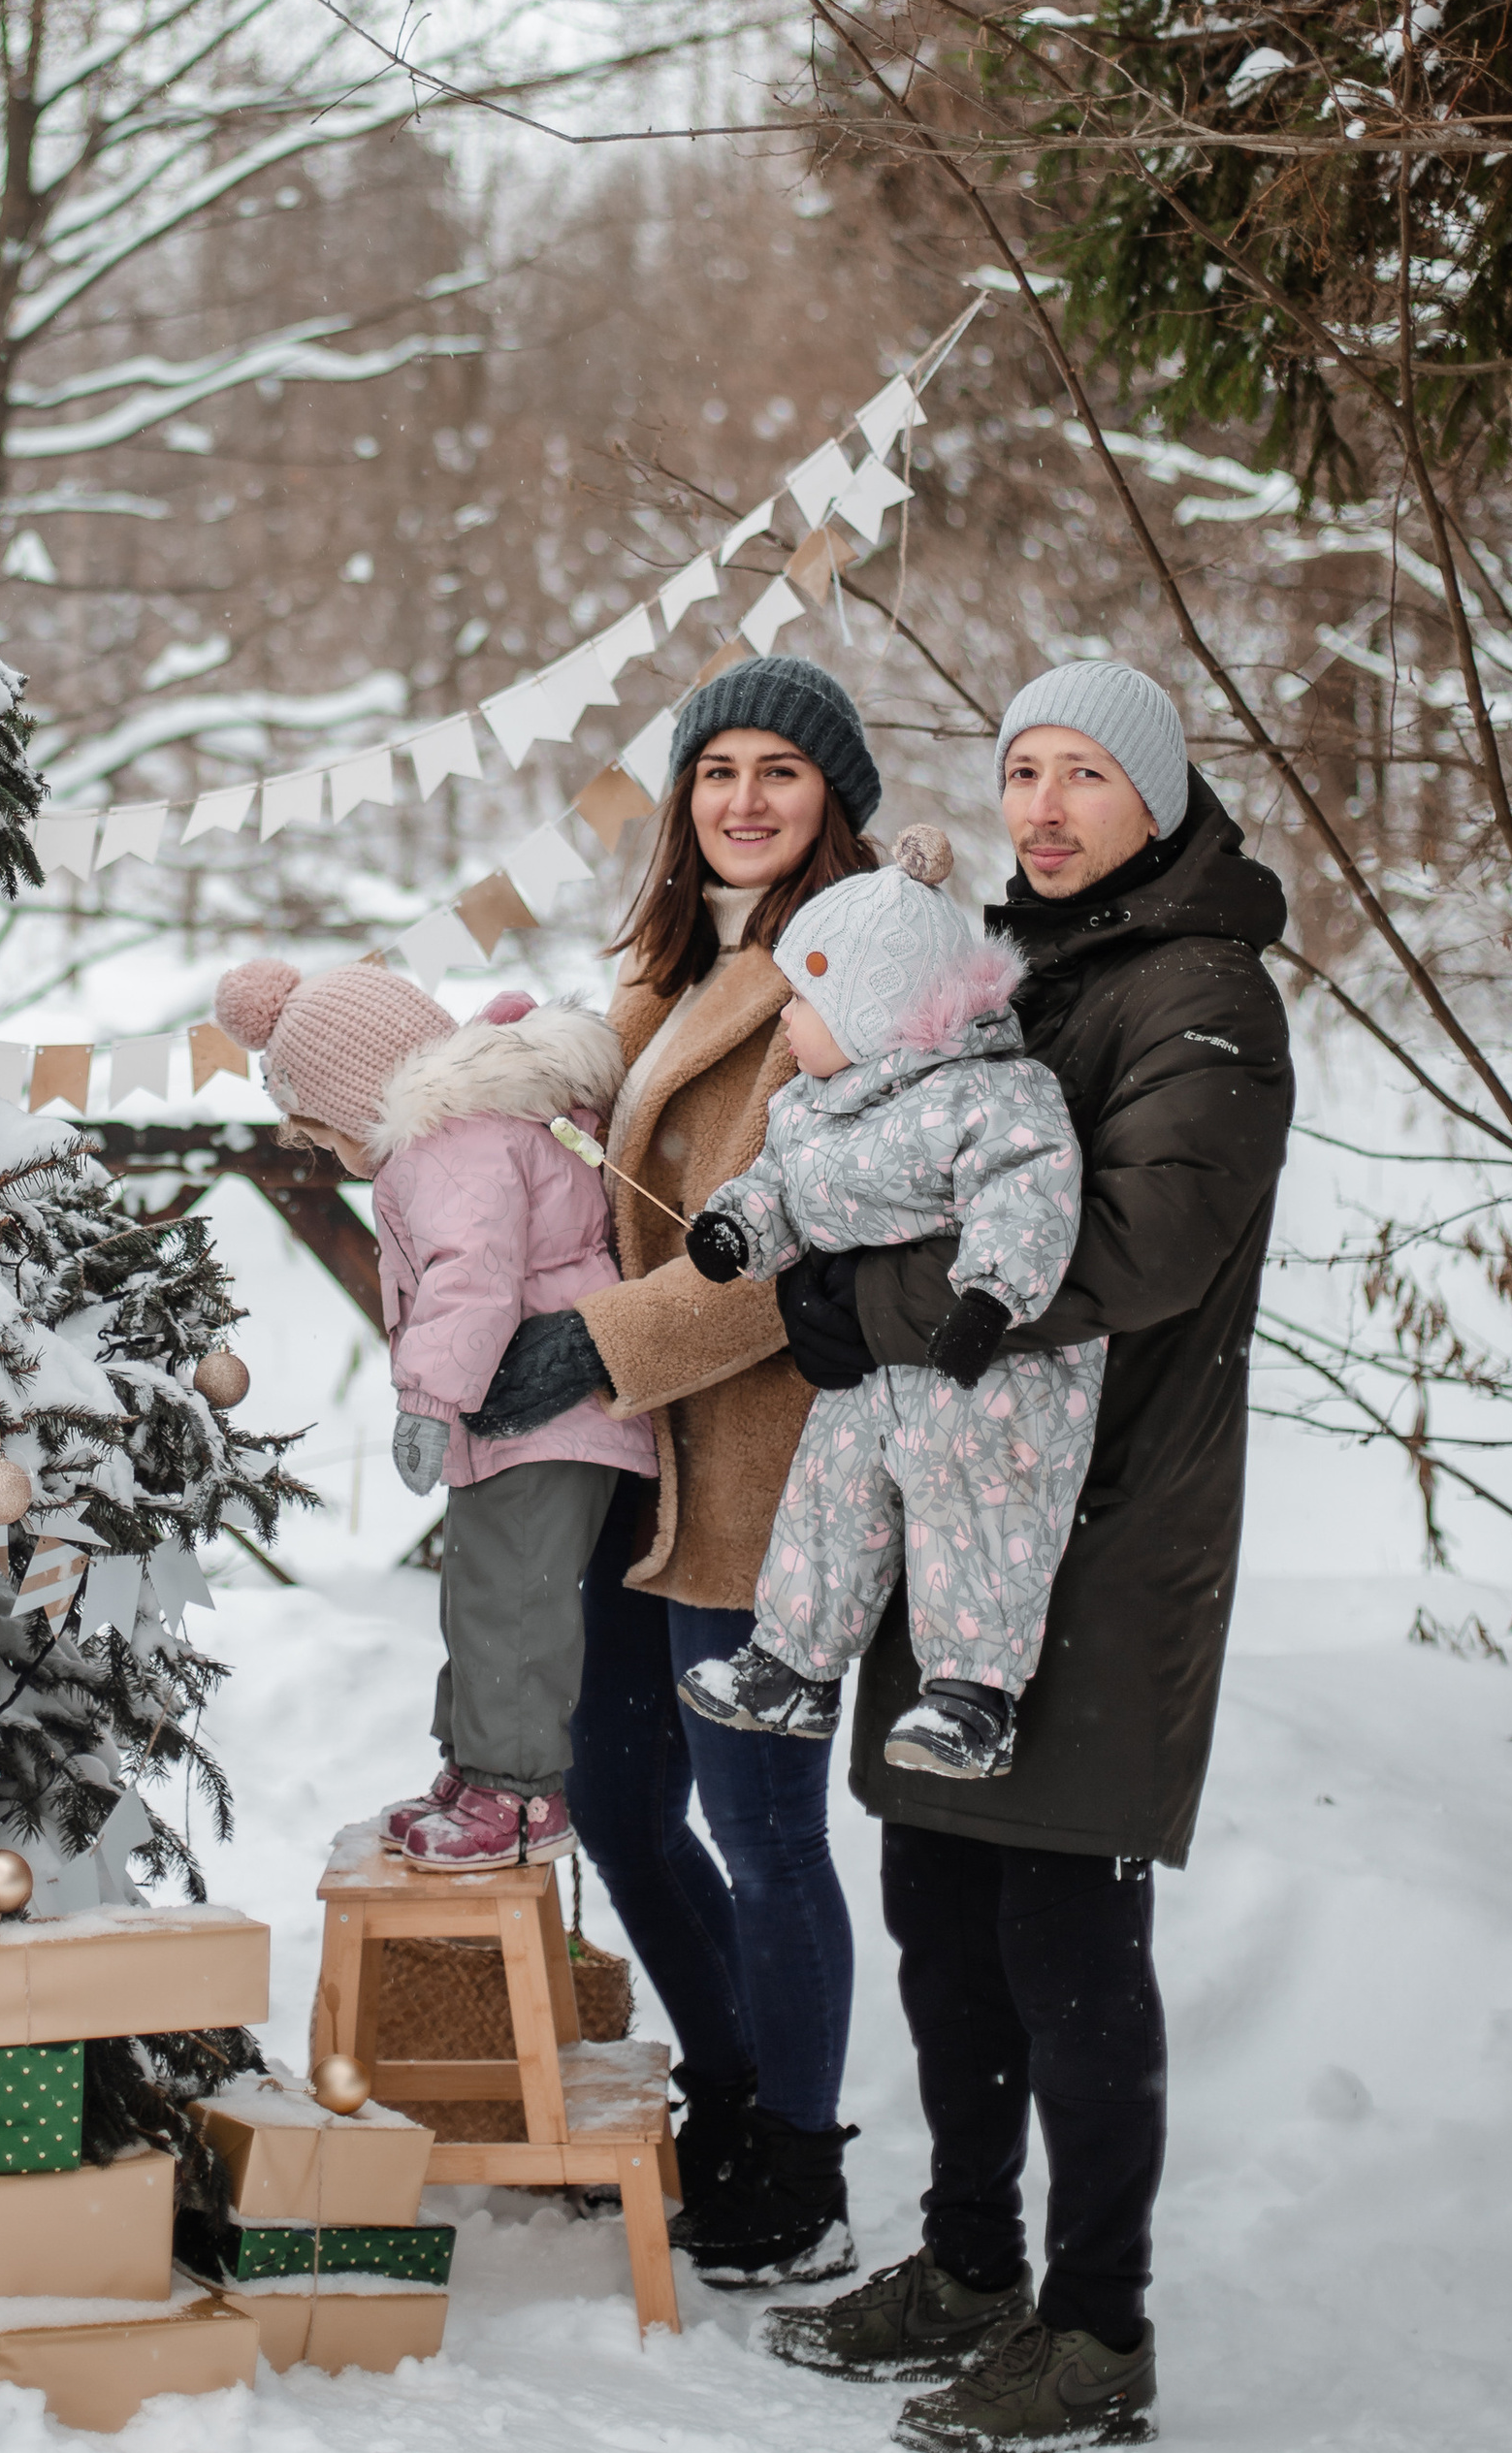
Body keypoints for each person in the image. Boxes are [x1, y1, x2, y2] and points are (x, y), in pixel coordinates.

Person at [761, 662, 1294, 2453]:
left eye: (1087, 777)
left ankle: (1098, 2330)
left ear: (1161, 799)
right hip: (958, 1504)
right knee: (940, 1920)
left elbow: (1136, 1248)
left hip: (1107, 1534)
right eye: (1024, 773)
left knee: (1068, 1938)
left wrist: (870, 1305)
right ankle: (972, 2267)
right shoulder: (1013, 970)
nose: (1046, 808)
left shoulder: (1203, 997)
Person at [466, 655, 880, 2283]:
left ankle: (802, 2158)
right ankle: (729, 2091)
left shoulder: (848, 978)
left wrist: (591, 1348)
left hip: (764, 1470)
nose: (746, 801)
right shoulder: (660, 974)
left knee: (763, 1824)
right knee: (625, 1802)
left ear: (832, 802)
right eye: (719, 772)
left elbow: (787, 1249)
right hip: (639, 1474)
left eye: (783, 772)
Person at [208, 957, 658, 1868]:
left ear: (359, 1093)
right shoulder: (467, 1131)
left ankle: (520, 1793)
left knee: (514, 1599)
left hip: (547, 1411)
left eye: (325, 1133)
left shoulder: (450, 1144)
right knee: (480, 1588)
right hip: (520, 1412)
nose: (330, 1154)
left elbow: (472, 1278)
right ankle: (476, 1766)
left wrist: (427, 1400)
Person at [680, 823, 1105, 1783]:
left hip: (989, 1374)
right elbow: (776, 1187)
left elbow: (1028, 1186)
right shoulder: (809, 1105)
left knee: (980, 1519)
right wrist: (736, 1230)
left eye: (806, 996)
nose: (786, 1015)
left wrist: (993, 1292)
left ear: (874, 1012)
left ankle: (971, 1697)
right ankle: (791, 1666)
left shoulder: (990, 1094)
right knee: (824, 1504)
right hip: (871, 1368)